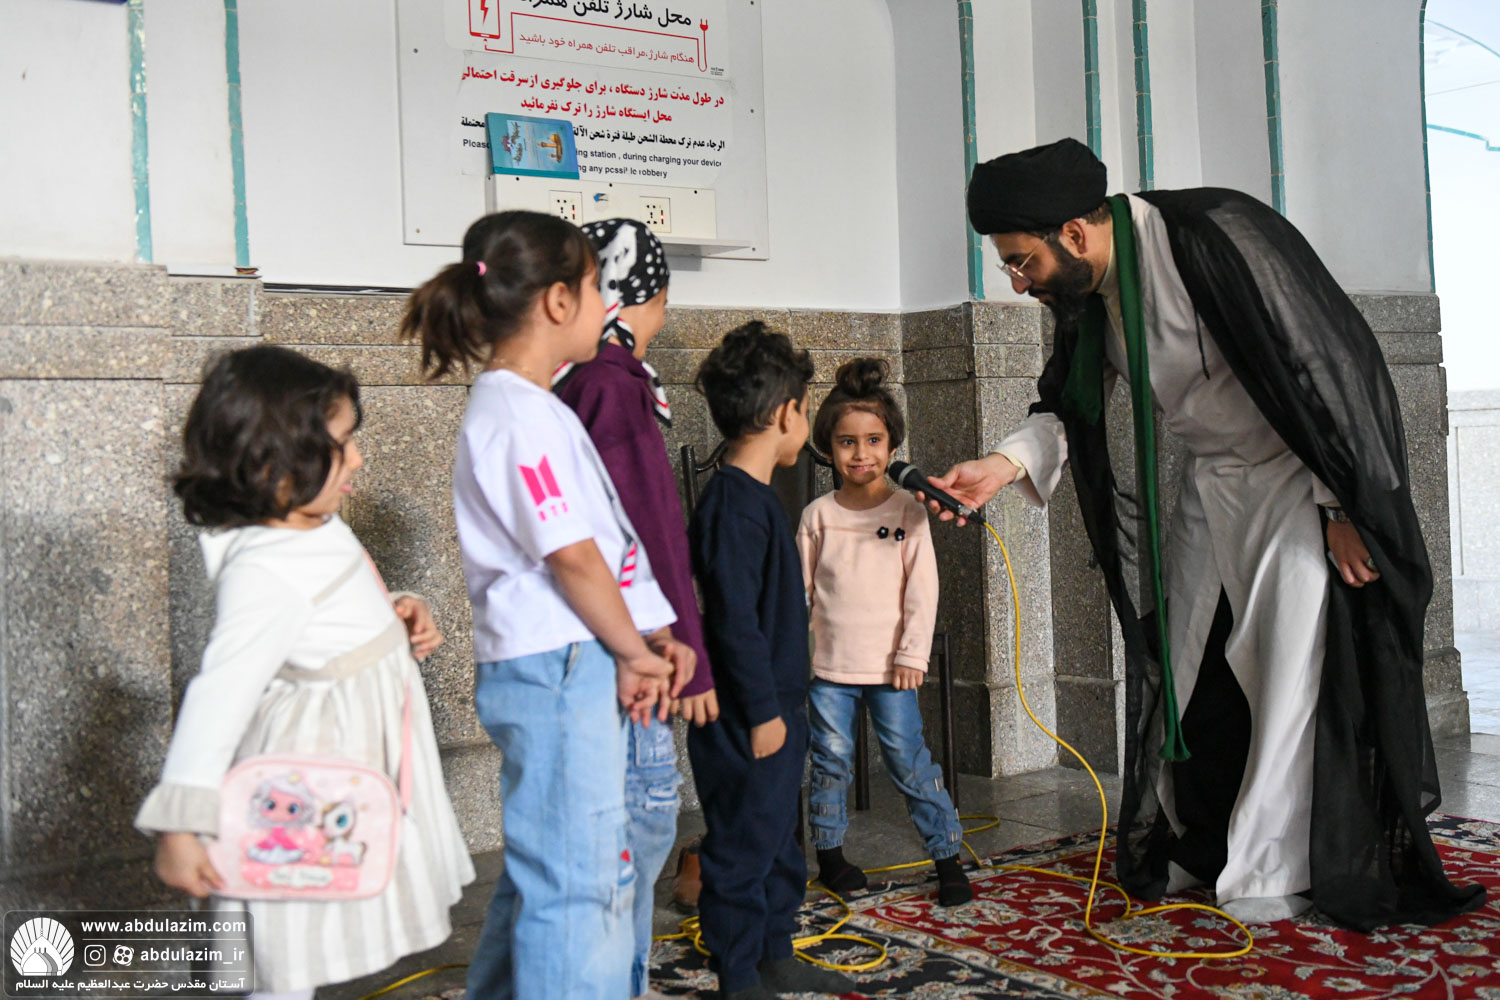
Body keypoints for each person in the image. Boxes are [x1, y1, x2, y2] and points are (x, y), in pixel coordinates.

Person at [925, 137, 1484, 928]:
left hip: (1295, 480)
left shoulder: (1214, 234)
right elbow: (1069, 403)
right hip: (1211, 483)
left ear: (1074, 234)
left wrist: (1342, 508)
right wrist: (1001, 465)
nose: (1018, 282)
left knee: (1286, 676)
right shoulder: (1088, 292)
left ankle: (1273, 871)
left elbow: (1325, 365)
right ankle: (1209, 841)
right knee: (1190, 669)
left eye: (1022, 262)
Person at [400, 210, 695, 1000]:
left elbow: (606, 539)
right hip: (557, 663)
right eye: (597, 289)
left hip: (576, 655)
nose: (607, 306)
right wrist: (632, 649)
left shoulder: (539, 407)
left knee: (555, 870)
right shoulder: (515, 413)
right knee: (578, 883)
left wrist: (645, 634)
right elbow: (572, 556)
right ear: (559, 301)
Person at [136, 345, 475, 1000]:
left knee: (314, 922)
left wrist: (394, 610)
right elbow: (220, 694)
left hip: (345, 774)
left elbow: (330, 605)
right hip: (307, 781)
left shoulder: (311, 526)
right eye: (342, 445)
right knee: (284, 932)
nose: (358, 458)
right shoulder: (264, 567)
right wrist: (181, 824)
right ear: (275, 462)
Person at [553, 218, 716, 1000]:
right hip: (626, 645)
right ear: (641, 298)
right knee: (643, 813)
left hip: (602, 639)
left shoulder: (580, 382)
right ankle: (611, 979)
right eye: (662, 304)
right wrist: (688, 653)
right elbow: (647, 530)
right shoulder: (613, 386)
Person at [688, 323, 856, 1000]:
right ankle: (737, 975)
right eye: (807, 409)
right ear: (787, 413)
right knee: (742, 845)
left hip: (778, 708)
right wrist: (762, 713)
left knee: (781, 840)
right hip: (745, 717)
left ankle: (774, 952)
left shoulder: (757, 498)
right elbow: (733, 623)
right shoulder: (731, 507)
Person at [797, 358, 971, 907]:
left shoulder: (909, 513)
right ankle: (831, 856)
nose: (861, 454)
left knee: (909, 762)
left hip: (894, 669)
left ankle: (947, 856)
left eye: (873, 440)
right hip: (829, 670)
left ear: (893, 445)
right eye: (847, 442)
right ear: (829, 447)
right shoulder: (817, 516)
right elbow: (799, 594)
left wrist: (912, 654)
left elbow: (922, 591)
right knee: (830, 762)